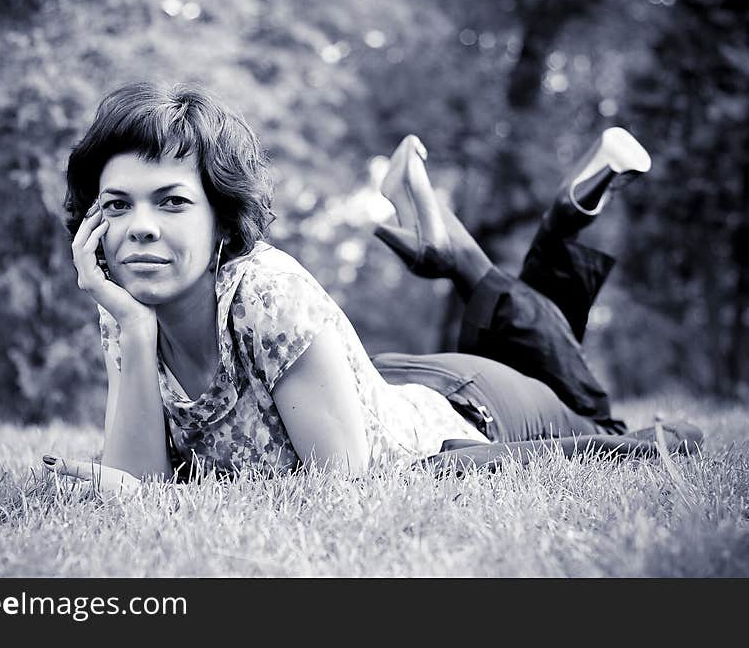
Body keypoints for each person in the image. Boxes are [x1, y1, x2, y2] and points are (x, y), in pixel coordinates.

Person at [43, 81, 701, 493]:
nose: (141, 229)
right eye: (118, 206)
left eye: (172, 202)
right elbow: (134, 487)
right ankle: (463, 249)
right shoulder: (126, 308)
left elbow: (340, 492)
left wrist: (167, 510)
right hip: (388, 384)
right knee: (548, 349)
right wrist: (131, 328)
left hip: (473, 410)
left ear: (222, 216)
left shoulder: (264, 295)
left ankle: (519, 235)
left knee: (602, 423)